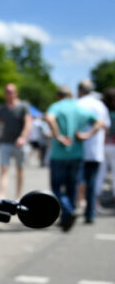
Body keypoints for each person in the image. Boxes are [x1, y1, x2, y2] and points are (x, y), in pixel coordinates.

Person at [45, 86, 105, 231]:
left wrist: (58, 136)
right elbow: (100, 123)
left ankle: (67, 210)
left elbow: (49, 118)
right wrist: (87, 135)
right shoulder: (78, 108)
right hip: (76, 154)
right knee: (72, 187)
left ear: (59, 96)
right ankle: (67, 215)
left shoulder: (56, 106)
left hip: (59, 155)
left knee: (56, 187)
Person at [0, 83, 33, 199]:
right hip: (5, 142)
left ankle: (18, 196)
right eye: (7, 92)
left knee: (20, 169)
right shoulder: (1, 109)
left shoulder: (23, 106)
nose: (9, 94)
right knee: (4, 169)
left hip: (19, 143)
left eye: (11, 92)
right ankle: (2, 195)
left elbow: (28, 122)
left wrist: (23, 137)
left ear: (16, 93)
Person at [76, 79, 110, 223]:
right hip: (96, 151)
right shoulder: (100, 105)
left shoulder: (78, 104)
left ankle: (72, 210)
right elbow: (105, 126)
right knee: (91, 183)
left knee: (76, 182)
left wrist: (86, 135)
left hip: (78, 150)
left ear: (79, 90)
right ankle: (90, 214)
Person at [99, 88, 115, 203]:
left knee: (100, 174)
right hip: (113, 145)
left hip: (102, 146)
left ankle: (96, 200)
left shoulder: (103, 111)